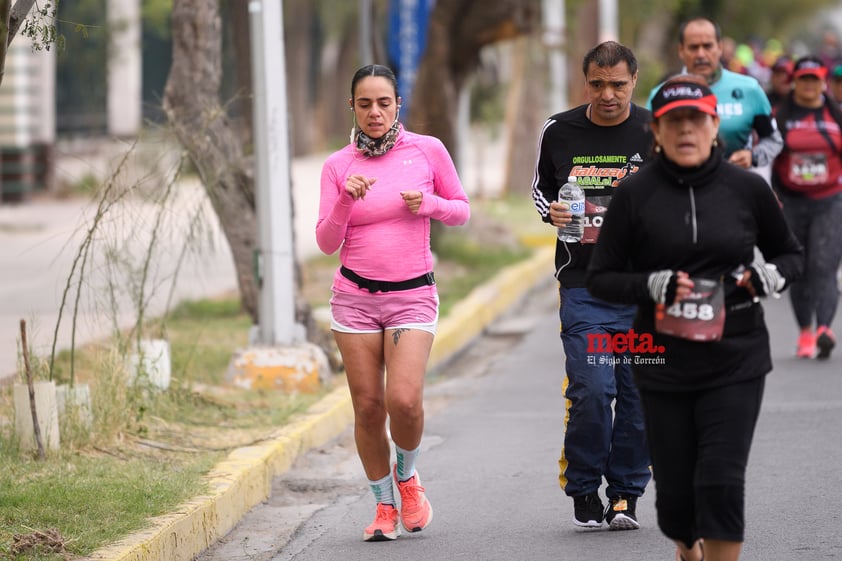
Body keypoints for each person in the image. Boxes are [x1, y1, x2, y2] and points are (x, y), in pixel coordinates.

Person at [587, 75, 803, 561]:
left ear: (713, 128)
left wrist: (771, 276)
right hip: (662, 360)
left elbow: (791, 255)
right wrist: (650, 284)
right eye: (674, 121)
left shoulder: (746, 189)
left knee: (722, 482)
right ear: (657, 133)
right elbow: (602, 277)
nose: (686, 130)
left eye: (696, 120)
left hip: (736, 356)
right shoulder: (634, 194)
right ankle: (686, 546)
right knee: (678, 503)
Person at [315, 64, 470, 542]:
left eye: (384, 103)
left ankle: (407, 477)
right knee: (366, 408)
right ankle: (383, 504)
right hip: (354, 299)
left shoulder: (427, 150)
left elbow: (461, 209)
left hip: (412, 295)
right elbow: (325, 241)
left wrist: (429, 205)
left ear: (398, 104)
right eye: (365, 104)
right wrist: (344, 199)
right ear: (353, 108)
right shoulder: (338, 165)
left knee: (403, 400)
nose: (375, 112)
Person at [531, 40, 653, 531]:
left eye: (618, 84)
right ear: (586, 83)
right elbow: (541, 190)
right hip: (583, 285)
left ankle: (625, 494)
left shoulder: (654, 129)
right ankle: (584, 484)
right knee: (592, 389)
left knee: (639, 396)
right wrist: (553, 213)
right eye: (598, 84)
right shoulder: (560, 130)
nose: (607, 94)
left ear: (634, 82)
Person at [770, 55, 842, 359]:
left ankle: (825, 328)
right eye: (804, 79)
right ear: (795, 82)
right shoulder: (780, 117)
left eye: (815, 79)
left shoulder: (836, 115)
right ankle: (804, 332)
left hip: (830, 200)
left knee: (823, 265)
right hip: (792, 202)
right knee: (799, 269)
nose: (810, 85)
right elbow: (768, 156)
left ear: (822, 81)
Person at [647, 17, 783, 174]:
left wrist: (752, 156)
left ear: (720, 47)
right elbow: (647, 146)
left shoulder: (748, 89)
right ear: (681, 50)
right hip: (678, 188)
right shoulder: (661, 94)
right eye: (693, 47)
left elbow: (774, 140)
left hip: (735, 188)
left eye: (707, 46)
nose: (701, 54)